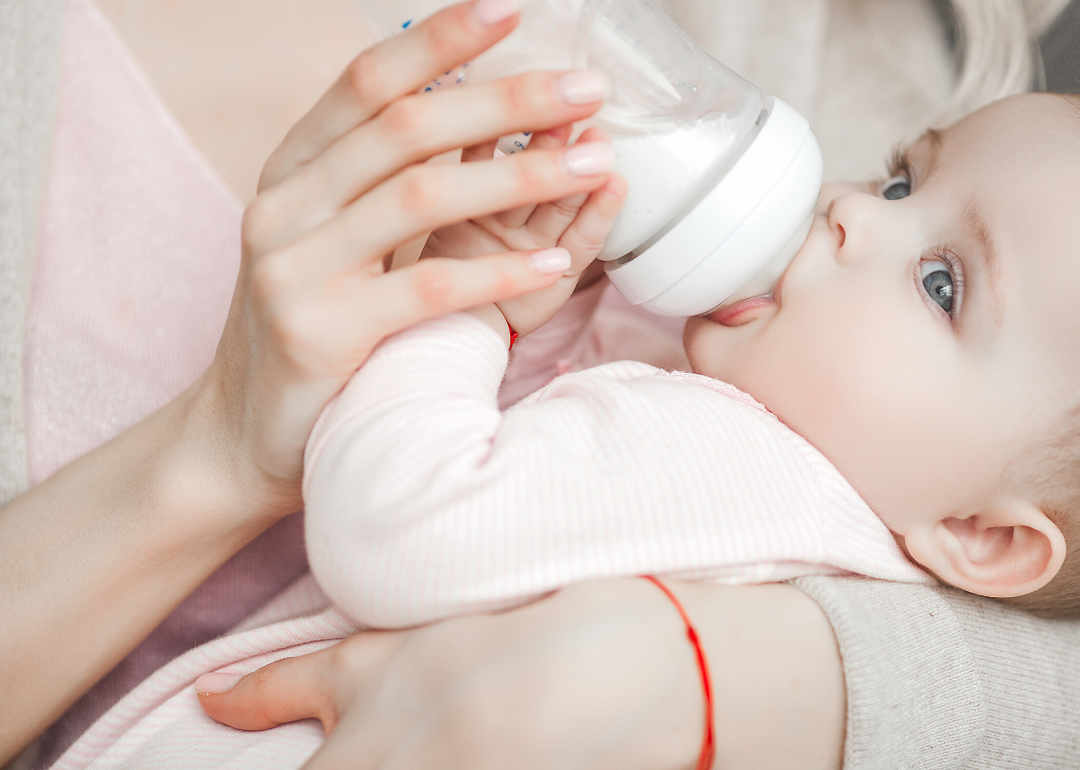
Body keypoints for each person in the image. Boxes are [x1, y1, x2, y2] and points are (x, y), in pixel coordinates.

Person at [3, 1, 1080, 769]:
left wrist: (456, 314)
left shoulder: (730, 451)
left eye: (942, 282)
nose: (855, 209)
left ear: (986, 539)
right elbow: (541, 492)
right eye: (902, 176)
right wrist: (530, 336)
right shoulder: (803, 479)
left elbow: (410, 528)